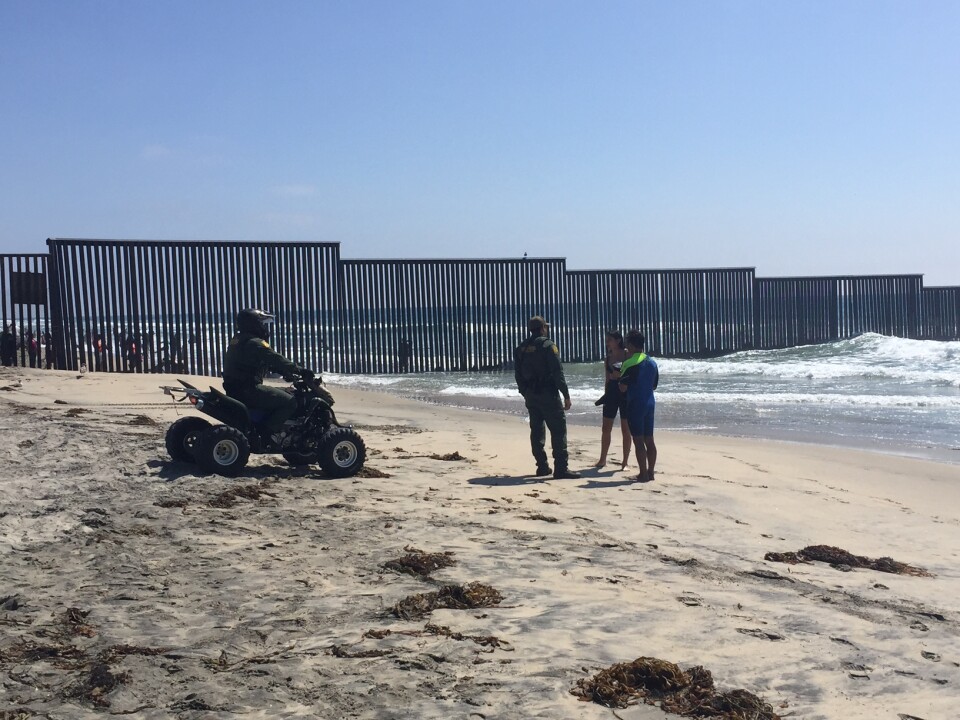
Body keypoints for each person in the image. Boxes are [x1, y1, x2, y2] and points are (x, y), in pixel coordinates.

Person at [222, 308, 311, 447]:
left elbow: (253, 363)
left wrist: (280, 371)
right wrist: (300, 370)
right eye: (261, 323)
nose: (263, 327)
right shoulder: (255, 343)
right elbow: (276, 358)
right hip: (249, 390)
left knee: (279, 394)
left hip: (235, 388)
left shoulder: (237, 341)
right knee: (290, 402)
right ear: (253, 324)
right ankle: (267, 433)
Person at [514, 316, 581, 480]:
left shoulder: (522, 348)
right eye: (546, 327)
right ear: (543, 328)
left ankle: (542, 466)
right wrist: (566, 395)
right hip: (548, 394)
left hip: (531, 394)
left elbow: (518, 375)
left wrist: (525, 392)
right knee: (558, 430)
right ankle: (561, 469)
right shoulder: (548, 346)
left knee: (536, 431)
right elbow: (558, 373)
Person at [618, 330, 659, 482]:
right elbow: (654, 386)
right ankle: (651, 472)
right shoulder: (652, 362)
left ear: (631, 345)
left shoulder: (629, 363)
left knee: (638, 440)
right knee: (650, 439)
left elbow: (622, 387)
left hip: (636, 404)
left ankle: (642, 474)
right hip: (650, 403)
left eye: (627, 343)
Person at [595, 330, 632, 470]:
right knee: (606, 428)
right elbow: (607, 379)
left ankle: (625, 462)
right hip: (611, 392)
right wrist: (605, 395)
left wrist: (621, 375)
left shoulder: (627, 354)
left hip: (625, 392)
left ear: (618, 340)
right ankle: (602, 459)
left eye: (609, 339)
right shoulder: (608, 358)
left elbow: (631, 375)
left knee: (625, 428)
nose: (607, 342)